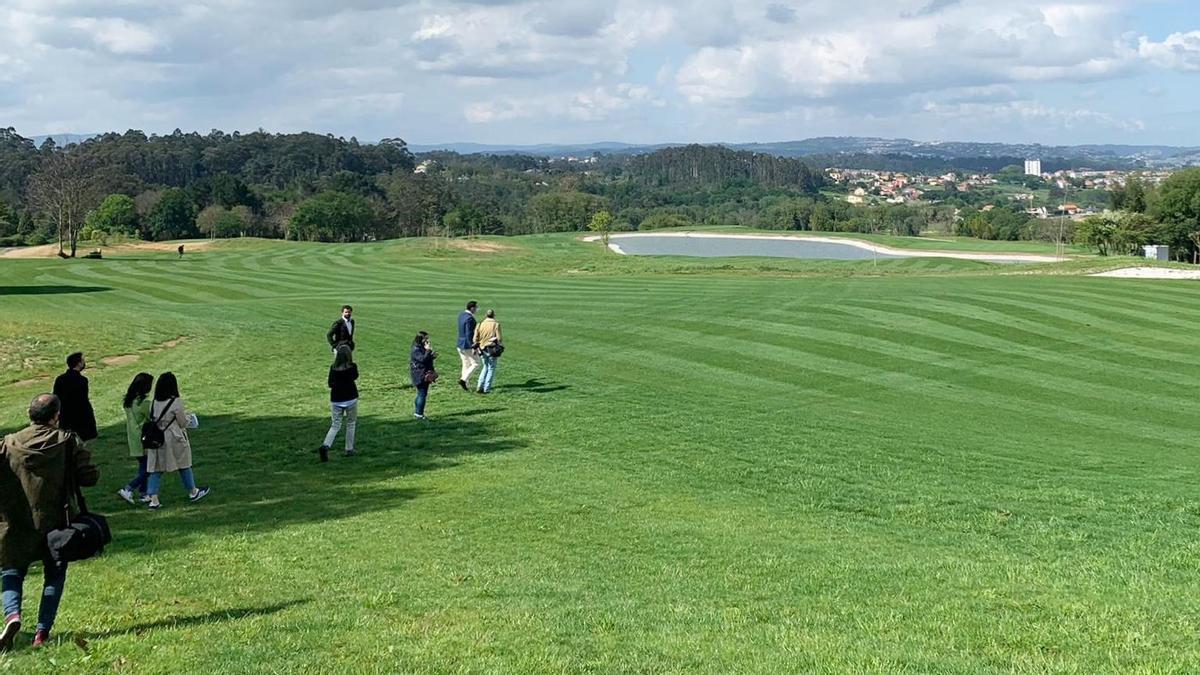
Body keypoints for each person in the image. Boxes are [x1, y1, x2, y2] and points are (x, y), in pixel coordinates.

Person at [0, 394, 98, 650]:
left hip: (15, 520)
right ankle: (42, 633)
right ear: (56, 416)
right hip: (56, 519)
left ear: (30, 414)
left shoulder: (9, 443)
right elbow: (88, 477)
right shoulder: (67, 441)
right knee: (54, 574)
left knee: (11, 569)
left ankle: (13, 615)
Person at [145, 373, 210, 510]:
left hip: (157, 438)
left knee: (156, 469)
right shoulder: (176, 402)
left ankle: (153, 499)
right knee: (184, 464)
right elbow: (182, 422)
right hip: (174, 438)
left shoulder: (154, 403)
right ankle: (193, 491)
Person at [117, 373, 154, 505]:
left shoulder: (128, 401)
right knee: (150, 468)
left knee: (143, 465)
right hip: (144, 439)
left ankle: (144, 493)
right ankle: (129, 488)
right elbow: (152, 417)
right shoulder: (144, 403)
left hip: (133, 437)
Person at [318, 345, 359, 461]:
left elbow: (330, 384)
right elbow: (355, 376)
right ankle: (349, 448)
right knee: (351, 423)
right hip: (351, 398)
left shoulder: (333, 368)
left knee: (335, 425)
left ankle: (325, 445)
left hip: (336, 399)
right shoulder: (352, 367)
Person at [51, 353, 97, 444]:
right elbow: (83, 400)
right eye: (82, 361)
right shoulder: (82, 380)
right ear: (79, 363)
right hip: (80, 415)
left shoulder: (60, 379)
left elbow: (56, 397)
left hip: (65, 415)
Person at [472, 309, 503, 394]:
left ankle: (479, 386)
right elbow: (499, 339)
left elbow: (475, 338)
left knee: (485, 366)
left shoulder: (480, 324)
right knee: (491, 368)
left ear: (486, 315)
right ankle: (487, 388)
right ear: (494, 315)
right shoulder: (496, 324)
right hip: (491, 349)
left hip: (481, 349)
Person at [409, 332, 437, 420]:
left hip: (421, 373)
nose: (427, 340)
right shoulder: (416, 349)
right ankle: (419, 414)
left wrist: (432, 356)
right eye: (426, 339)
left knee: (420, 394)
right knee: (422, 394)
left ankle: (417, 412)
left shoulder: (420, 347)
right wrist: (428, 350)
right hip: (420, 374)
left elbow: (425, 358)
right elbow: (422, 359)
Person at [456, 301, 480, 392]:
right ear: (472, 308)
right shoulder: (470, 319)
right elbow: (469, 333)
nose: (477, 310)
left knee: (466, 364)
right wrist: (473, 346)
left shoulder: (461, 315)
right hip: (467, 345)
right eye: (476, 308)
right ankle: (463, 380)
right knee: (476, 364)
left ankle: (465, 383)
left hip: (460, 343)